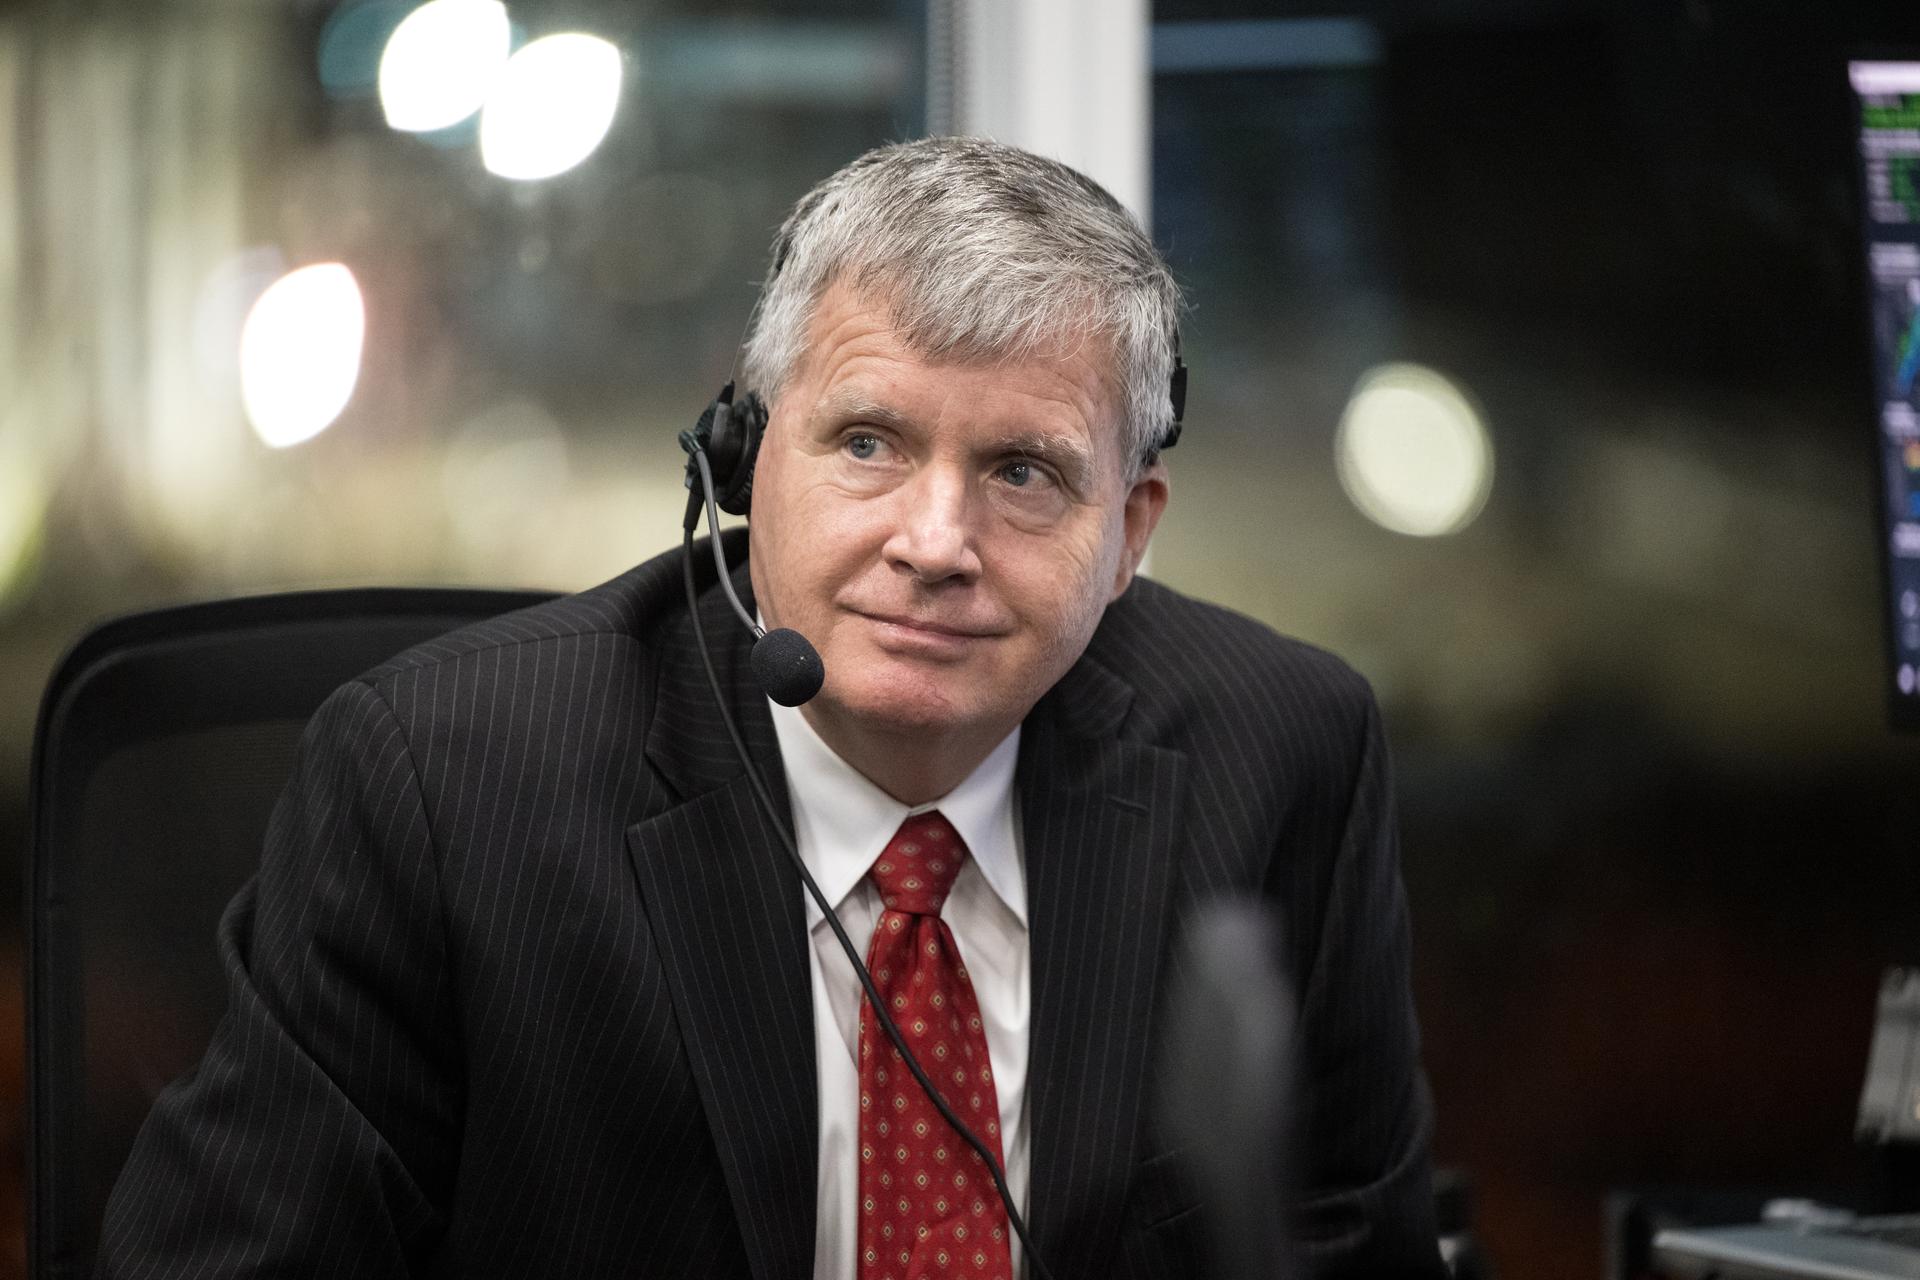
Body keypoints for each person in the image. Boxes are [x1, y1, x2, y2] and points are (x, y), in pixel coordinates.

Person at [98, 137, 1445, 1279]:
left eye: (1023, 473)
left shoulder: (1282, 752)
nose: (935, 540)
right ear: (746, 460)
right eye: (868, 443)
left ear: (1132, 532)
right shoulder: (442, 784)